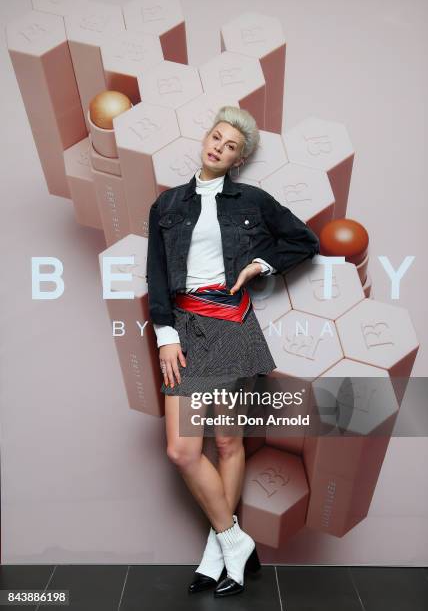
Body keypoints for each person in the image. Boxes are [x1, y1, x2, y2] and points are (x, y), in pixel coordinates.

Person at [146, 106, 319, 597]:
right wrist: (165, 334)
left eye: (230, 147)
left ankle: (217, 552)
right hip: (185, 327)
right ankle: (233, 540)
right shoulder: (168, 205)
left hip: (229, 324)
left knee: (226, 444)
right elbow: (156, 273)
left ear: (238, 160)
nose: (218, 147)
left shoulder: (253, 200)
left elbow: (304, 240)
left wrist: (260, 264)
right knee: (183, 449)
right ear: (206, 138)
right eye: (216, 137)